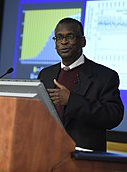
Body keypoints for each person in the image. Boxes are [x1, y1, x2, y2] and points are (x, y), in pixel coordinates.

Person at [38, 18, 124, 151]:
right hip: (48, 151)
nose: (64, 42)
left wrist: (71, 100)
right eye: (59, 37)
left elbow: (113, 116)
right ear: (55, 43)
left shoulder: (105, 76)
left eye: (70, 36)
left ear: (83, 42)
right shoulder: (46, 74)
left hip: (84, 157)